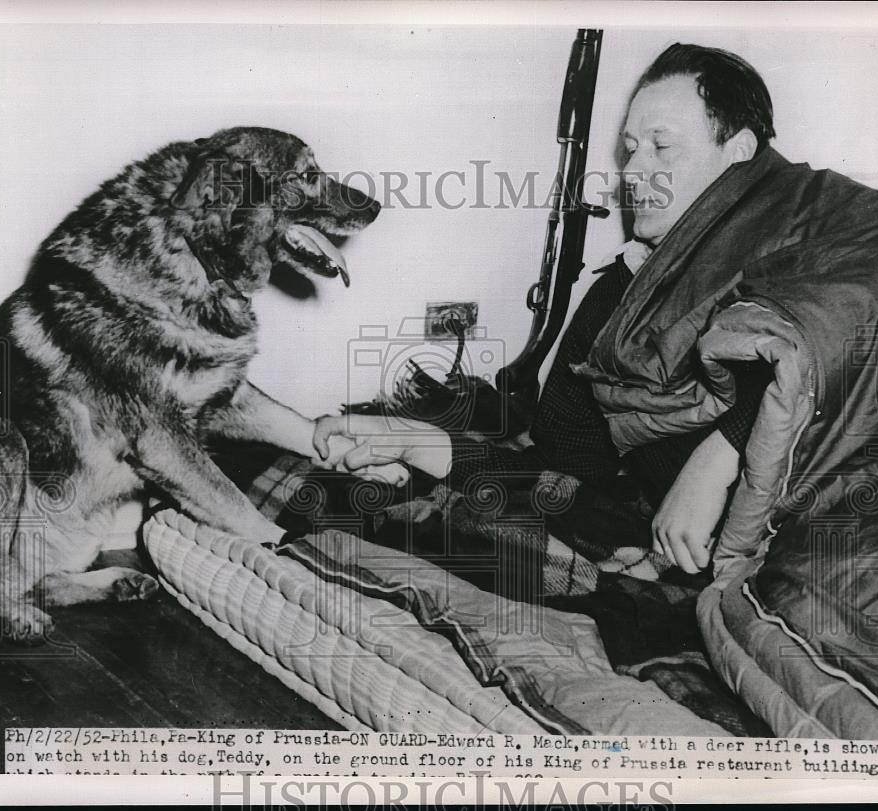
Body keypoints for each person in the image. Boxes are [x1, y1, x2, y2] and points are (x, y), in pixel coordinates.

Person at [312, 43, 779, 575]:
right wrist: (426, 445)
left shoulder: (810, 260)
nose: (632, 171)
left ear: (739, 151)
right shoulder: (626, 285)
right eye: (629, 149)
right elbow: (568, 470)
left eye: (662, 147)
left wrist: (721, 453)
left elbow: (836, 360)